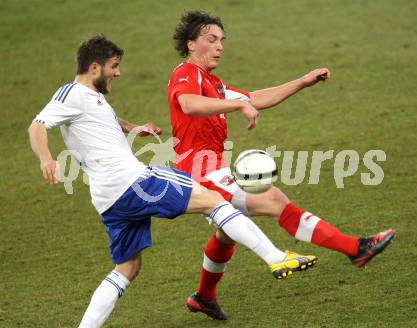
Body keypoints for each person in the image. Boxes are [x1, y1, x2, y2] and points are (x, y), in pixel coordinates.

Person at [28, 35, 318, 328]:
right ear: (94, 67)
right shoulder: (71, 94)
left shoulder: (91, 98)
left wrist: (134, 127)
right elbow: (37, 125)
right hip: (131, 181)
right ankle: (276, 257)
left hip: (109, 199)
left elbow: (104, 121)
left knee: (127, 268)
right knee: (213, 200)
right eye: (114, 66)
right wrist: (46, 159)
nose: (118, 72)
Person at [167, 11, 396, 320]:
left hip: (214, 169)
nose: (219, 47)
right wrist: (238, 105)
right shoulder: (186, 73)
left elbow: (257, 97)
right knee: (273, 199)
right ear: (191, 44)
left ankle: (204, 297)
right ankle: (356, 249)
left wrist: (302, 82)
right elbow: (189, 104)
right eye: (211, 40)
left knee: (226, 233)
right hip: (199, 172)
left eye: (222, 40)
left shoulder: (214, 84)